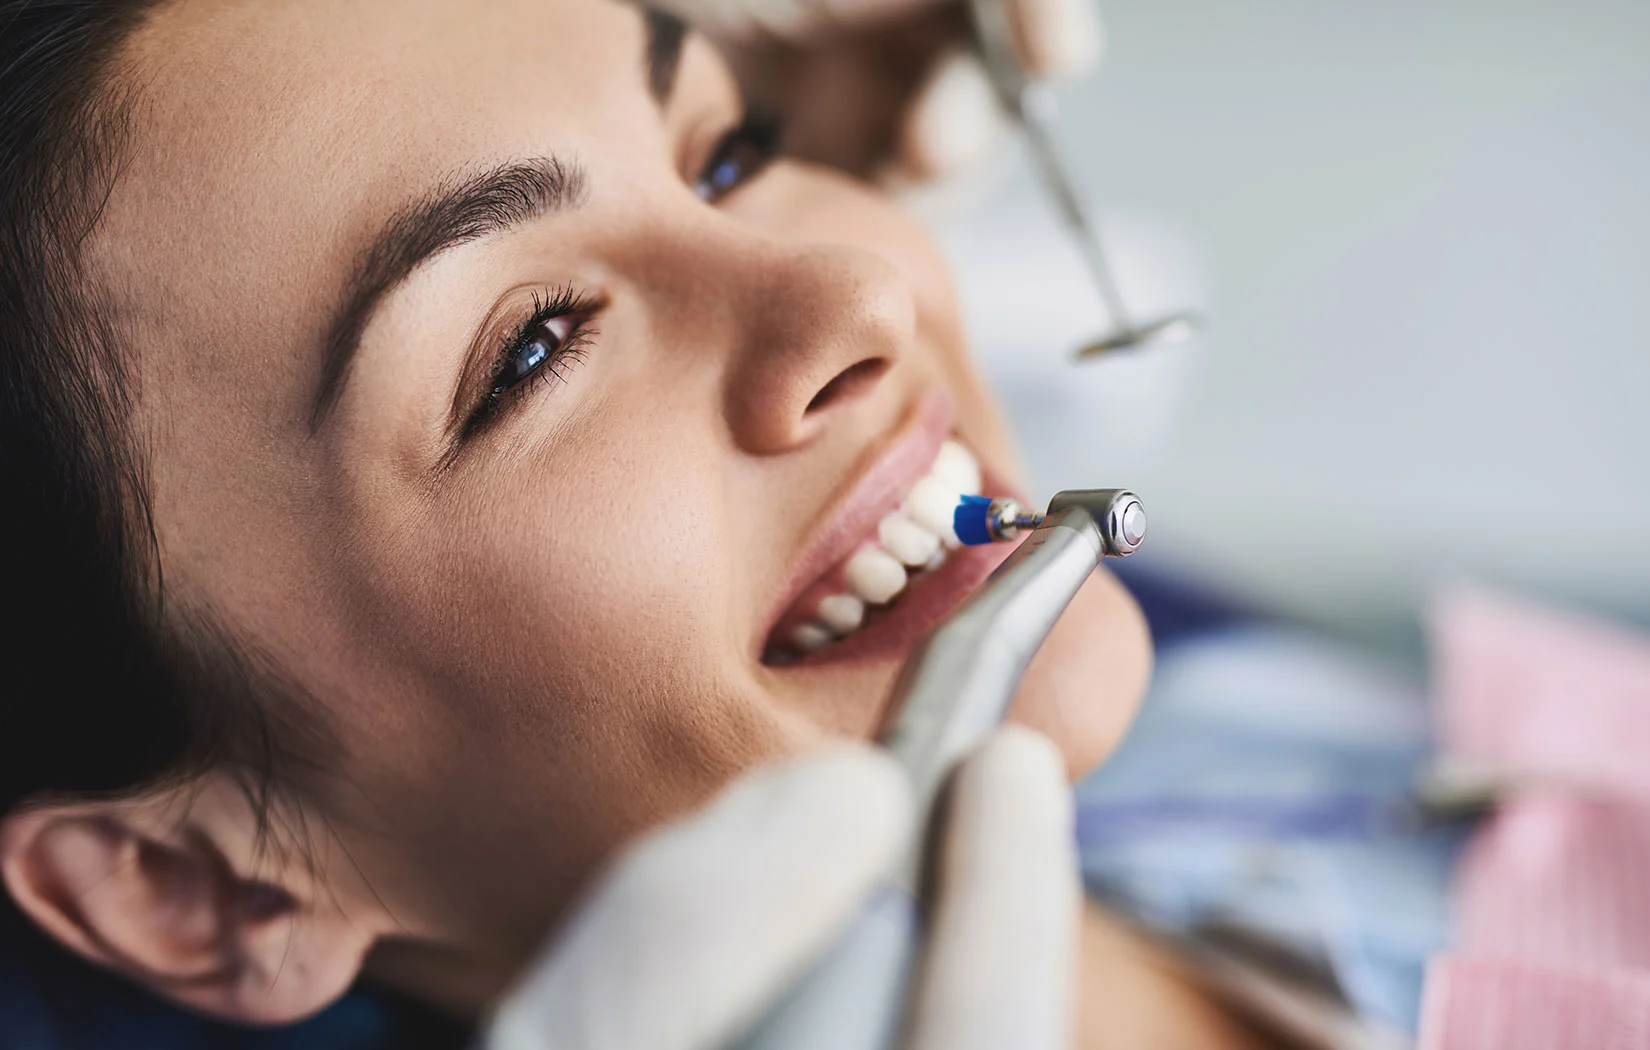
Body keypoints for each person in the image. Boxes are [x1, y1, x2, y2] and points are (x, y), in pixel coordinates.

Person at [0, 0, 1281, 1046]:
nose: (860, 292)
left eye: (728, 152)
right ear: (190, 885)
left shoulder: (1264, 706)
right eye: (532, 352)